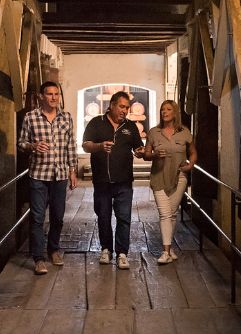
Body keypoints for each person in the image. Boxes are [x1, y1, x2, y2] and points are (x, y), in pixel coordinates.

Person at [17, 81, 77, 275]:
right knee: (37, 217)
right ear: (42, 96)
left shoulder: (66, 118)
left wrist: (72, 170)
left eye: (56, 94)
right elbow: (21, 143)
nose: (53, 97)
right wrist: (33, 146)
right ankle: (38, 258)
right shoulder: (31, 117)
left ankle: (53, 249)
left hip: (59, 175)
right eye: (49, 94)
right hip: (38, 175)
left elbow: (70, 145)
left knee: (58, 217)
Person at [81, 91, 144, 270]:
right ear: (112, 105)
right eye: (121, 106)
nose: (124, 110)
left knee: (124, 217)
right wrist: (99, 146)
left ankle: (122, 253)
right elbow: (86, 145)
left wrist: (140, 151)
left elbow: (138, 147)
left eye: (127, 108)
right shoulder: (96, 123)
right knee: (103, 216)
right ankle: (106, 249)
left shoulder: (130, 126)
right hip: (102, 180)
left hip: (124, 180)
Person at [140, 100, 196, 264]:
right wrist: (155, 154)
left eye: (168, 109)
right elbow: (146, 155)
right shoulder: (154, 132)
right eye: (162, 109)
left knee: (171, 214)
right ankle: (165, 252)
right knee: (165, 214)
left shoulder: (184, 131)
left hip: (179, 178)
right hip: (159, 176)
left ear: (175, 112)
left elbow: (193, 153)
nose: (165, 112)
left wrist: (190, 165)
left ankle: (169, 248)